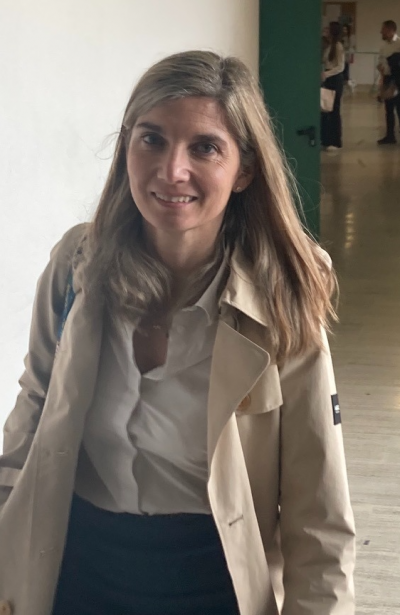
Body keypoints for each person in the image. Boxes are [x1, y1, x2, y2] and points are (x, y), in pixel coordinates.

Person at [0, 50, 356, 615]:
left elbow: (319, 514)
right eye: (152, 139)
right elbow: (33, 412)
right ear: (126, 147)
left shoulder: (283, 292)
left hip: (213, 583)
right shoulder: (75, 265)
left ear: (244, 170)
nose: (171, 171)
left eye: (205, 147)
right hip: (72, 571)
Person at [321, 21, 345, 150]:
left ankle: (335, 141)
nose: (325, 31)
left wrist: (327, 73)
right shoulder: (329, 46)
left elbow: (340, 66)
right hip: (328, 79)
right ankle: (326, 139)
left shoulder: (338, 46)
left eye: (327, 29)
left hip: (335, 79)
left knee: (334, 109)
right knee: (326, 108)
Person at [377, 20, 400, 144]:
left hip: (398, 79)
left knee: (399, 108)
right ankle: (390, 136)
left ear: (390, 30)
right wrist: (381, 72)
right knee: (388, 109)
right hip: (387, 78)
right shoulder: (383, 46)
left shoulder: (399, 44)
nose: (381, 32)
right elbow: (381, 62)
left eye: (383, 29)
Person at [342, 24, 356, 91]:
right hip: (344, 55)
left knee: (347, 69)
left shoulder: (352, 37)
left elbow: (352, 47)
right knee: (344, 69)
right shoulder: (344, 38)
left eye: (345, 29)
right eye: (343, 29)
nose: (344, 31)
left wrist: (351, 56)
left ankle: (347, 83)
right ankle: (345, 83)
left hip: (348, 55)